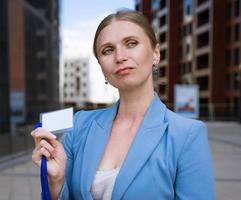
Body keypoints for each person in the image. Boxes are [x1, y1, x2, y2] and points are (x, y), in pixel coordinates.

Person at [31, 10, 215, 200]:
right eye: (108, 50)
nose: (120, 57)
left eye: (131, 43)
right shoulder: (80, 125)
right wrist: (56, 182)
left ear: (156, 53)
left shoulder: (187, 135)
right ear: (101, 67)